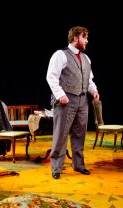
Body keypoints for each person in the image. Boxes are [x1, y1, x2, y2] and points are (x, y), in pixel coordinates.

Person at [46, 26, 100, 179]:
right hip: (65, 100)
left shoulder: (86, 58)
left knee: (79, 134)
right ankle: (57, 167)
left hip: (82, 100)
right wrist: (60, 95)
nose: (87, 41)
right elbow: (51, 77)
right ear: (76, 38)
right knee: (61, 134)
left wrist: (93, 91)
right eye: (85, 37)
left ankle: (79, 165)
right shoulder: (60, 55)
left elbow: (89, 80)